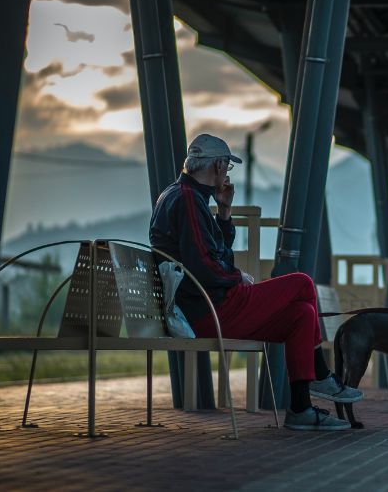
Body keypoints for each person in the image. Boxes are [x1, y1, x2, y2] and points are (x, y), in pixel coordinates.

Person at [149, 134, 360, 431]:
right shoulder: (186, 200)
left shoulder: (181, 196)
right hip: (209, 311)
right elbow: (206, 266)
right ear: (219, 165)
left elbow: (214, 254)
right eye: (227, 167)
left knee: (302, 315)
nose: (226, 174)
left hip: (205, 307)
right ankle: (322, 376)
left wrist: (224, 212)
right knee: (301, 283)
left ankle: (301, 409)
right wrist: (239, 278)